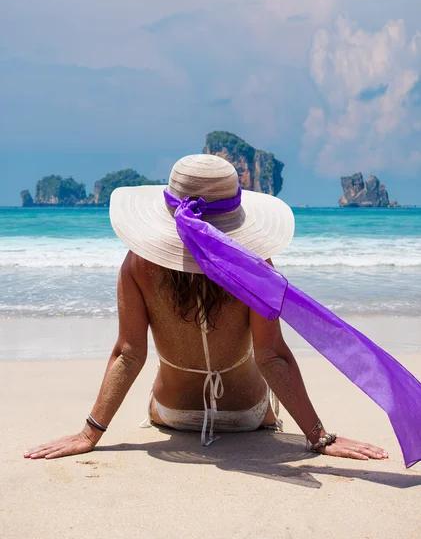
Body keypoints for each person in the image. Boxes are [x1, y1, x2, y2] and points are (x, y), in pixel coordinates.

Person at [24, 154, 389, 461]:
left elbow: (128, 354)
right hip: (247, 414)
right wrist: (319, 436)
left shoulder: (137, 264)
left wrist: (89, 433)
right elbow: (271, 356)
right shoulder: (255, 264)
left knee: (156, 385)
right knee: (262, 385)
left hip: (172, 414)